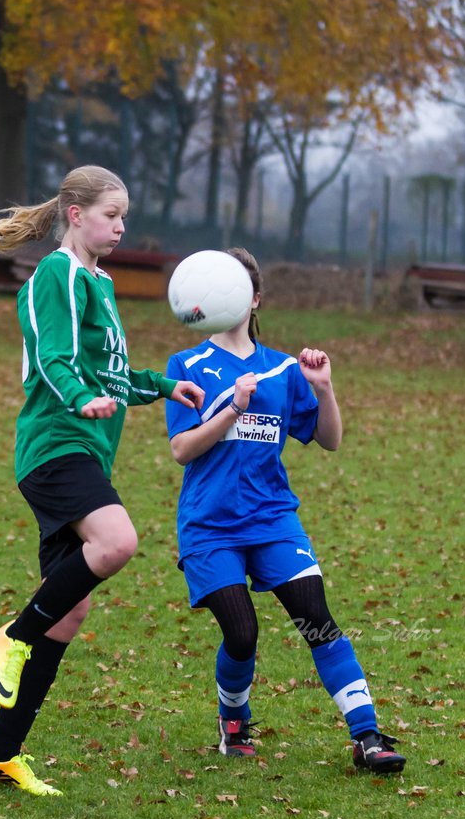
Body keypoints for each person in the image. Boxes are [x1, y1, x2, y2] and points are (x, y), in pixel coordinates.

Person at [0, 166, 205, 797]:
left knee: (69, 612)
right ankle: (12, 636)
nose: (121, 226)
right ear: (76, 214)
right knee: (118, 542)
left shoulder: (98, 280)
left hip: (86, 451)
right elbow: (55, 356)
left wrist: (158, 386)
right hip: (54, 445)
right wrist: (77, 398)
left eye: (124, 215)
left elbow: (109, 368)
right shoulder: (59, 274)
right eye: (111, 214)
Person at [163, 248, 406, 774]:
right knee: (241, 633)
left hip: (272, 519)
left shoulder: (283, 368)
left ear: (254, 298)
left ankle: (366, 736)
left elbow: (329, 440)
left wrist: (324, 388)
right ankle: (234, 717)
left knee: (317, 621)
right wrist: (231, 407)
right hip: (210, 525)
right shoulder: (186, 365)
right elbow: (182, 449)